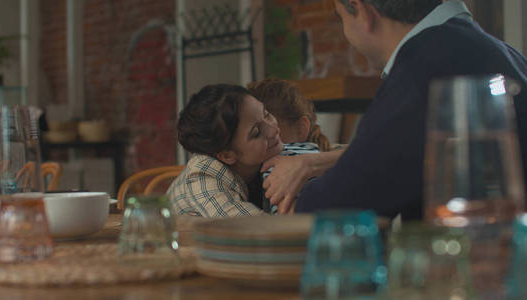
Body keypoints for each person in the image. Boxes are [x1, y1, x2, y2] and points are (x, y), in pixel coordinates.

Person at [262, 0, 527, 220]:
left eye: (341, 18)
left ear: (362, 12)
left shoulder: (424, 67)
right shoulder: (495, 52)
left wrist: (295, 202)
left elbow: (338, 204)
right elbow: (388, 156)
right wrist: (312, 163)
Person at [167, 84, 283, 217]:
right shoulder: (203, 178)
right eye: (256, 132)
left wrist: (307, 162)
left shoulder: (259, 155)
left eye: (266, 114)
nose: (274, 130)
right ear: (227, 155)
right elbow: (260, 229)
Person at [248, 78, 332, 213]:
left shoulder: (282, 160)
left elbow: (287, 222)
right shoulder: (319, 154)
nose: (270, 131)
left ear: (301, 129)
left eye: (269, 119)